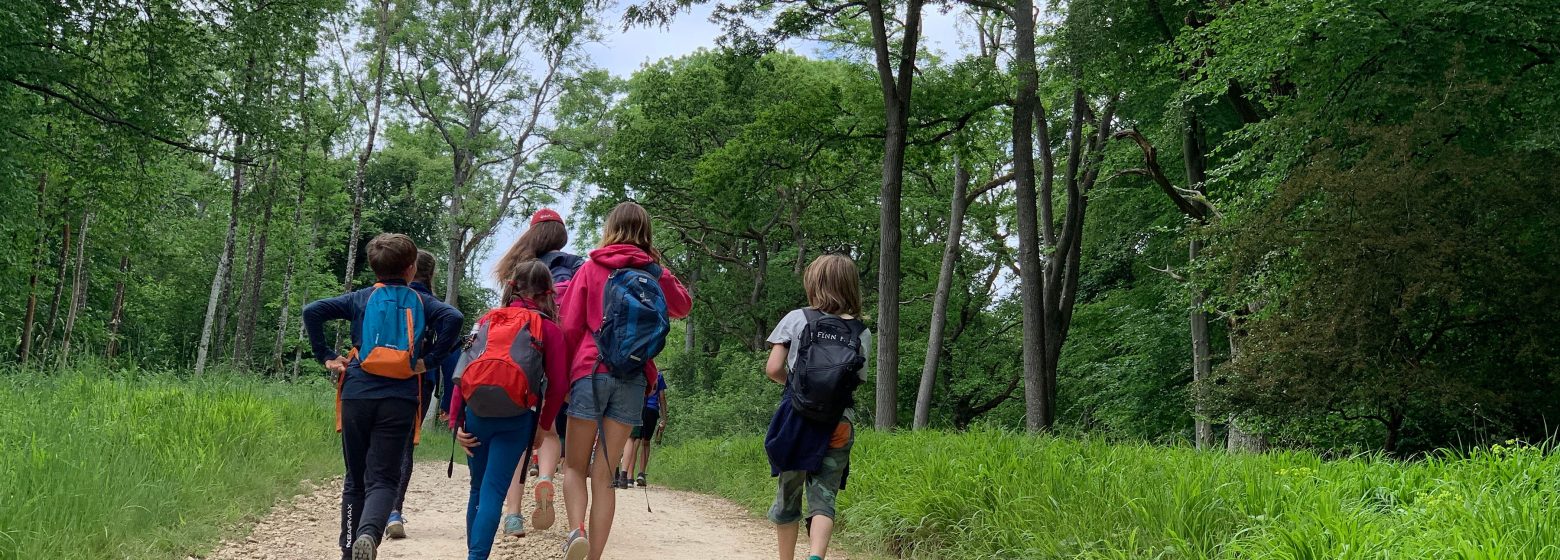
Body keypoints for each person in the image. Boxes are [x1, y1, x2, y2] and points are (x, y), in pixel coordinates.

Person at [303, 233, 464, 560]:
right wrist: (428, 361)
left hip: (357, 391)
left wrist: (327, 355)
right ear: (411, 268)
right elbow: (454, 319)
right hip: (400, 396)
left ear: (375, 269)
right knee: (384, 478)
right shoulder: (422, 302)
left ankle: (350, 550)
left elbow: (312, 311)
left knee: (355, 479)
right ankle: (368, 533)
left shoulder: (360, 298)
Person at [557, 202, 692, 560]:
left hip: (590, 371)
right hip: (633, 378)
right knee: (605, 474)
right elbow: (683, 306)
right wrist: (658, 265)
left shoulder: (590, 268)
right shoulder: (654, 273)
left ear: (610, 228)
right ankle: (594, 556)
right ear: (647, 232)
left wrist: (563, 381)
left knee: (574, 465)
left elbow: (569, 327)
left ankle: (577, 531)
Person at [450, 259, 570, 560]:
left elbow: (463, 369)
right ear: (548, 291)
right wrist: (543, 427)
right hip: (516, 419)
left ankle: (474, 553)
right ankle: (476, 557)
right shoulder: (549, 329)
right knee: (493, 491)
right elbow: (558, 385)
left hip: (476, 413)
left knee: (477, 490)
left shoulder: (488, 319)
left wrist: (456, 420)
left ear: (511, 286)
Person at [762, 254, 872, 560]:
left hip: (797, 421)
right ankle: (816, 557)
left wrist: (795, 387)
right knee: (824, 496)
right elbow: (858, 379)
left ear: (814, 284)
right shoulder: (861, 332)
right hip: (839, 423)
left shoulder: (797, 318)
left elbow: (773, 369)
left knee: (789, 495)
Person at [491, 208, 584, 537]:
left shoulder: (520, 267)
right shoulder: (577, 266)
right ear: (562, 235)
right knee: (550, 430)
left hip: (522, 358)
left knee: (519, 435)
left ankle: (514, 515)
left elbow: (505, 315)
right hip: (563, 354)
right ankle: (545, 477)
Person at [385, 250, 448, 540]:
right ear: (431, 274)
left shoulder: (390, 297)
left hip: (380, 374)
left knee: (378, 442)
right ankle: (394, 511)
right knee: (405, 445)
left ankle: (369, 507)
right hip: (417, 380)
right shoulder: (432, 304)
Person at [616, 374, 668, 489]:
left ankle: (629, 476)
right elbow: (662, 397)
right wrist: (664, 417)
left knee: (634, 439)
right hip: (652, 410)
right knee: (646, 442)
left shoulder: (639, 370)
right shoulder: (658, 375)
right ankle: (641, 473)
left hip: (638, 408)